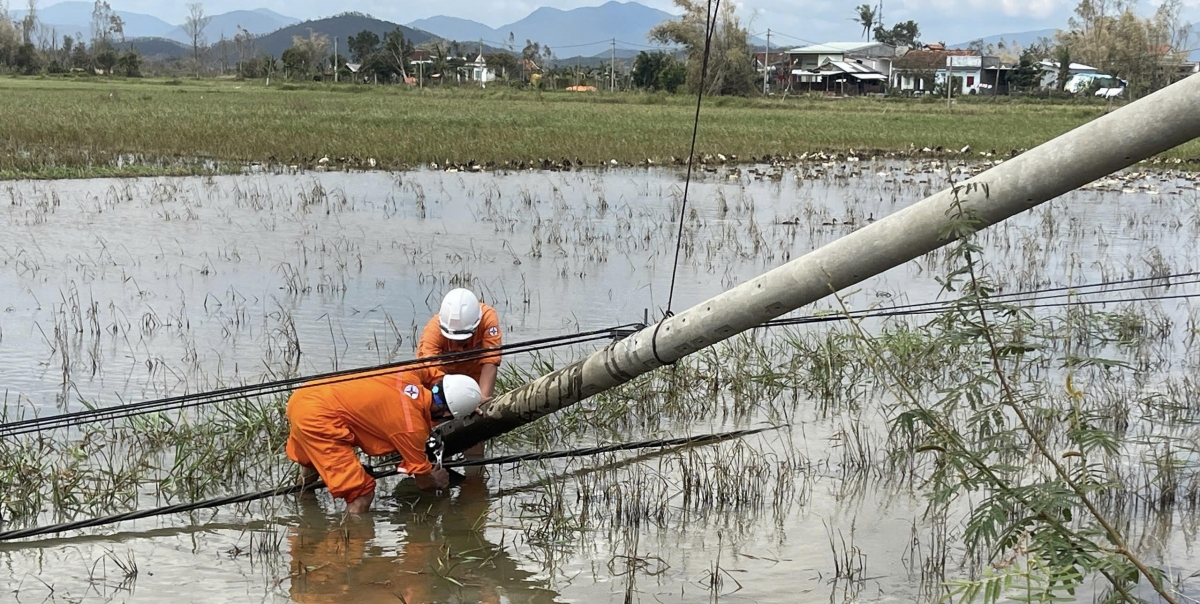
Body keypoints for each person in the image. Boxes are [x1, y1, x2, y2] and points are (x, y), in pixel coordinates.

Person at [285, 367, 482, 514]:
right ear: (447, 413)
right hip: (317, 418)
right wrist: (437, 480)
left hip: (304, 396)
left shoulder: (409, 373)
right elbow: (423, 481)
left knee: (315, 459)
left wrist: (463, 399)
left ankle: (303, 502)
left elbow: (432, 371)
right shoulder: (412, 428)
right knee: (362, 494)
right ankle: (346, 552)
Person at [418, 288, 502, 401]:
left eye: (464, 338)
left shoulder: (487, 318)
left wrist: (482, 400)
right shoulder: (433, 331)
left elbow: (490, 360)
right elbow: (433, 373)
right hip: (442, 379)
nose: (458, 343)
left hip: (475, 377)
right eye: (453, 339)